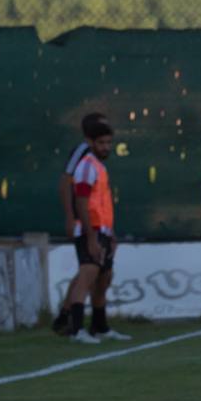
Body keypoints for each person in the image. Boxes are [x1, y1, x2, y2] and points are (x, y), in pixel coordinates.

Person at [53, 114, 129, 343]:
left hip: (101, 229)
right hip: (90, 229)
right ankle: (72, 324)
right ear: (90, 140)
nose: (107, 146)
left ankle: (98, 325)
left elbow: (100, 201)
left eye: (109, 142)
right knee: (87, 274)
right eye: (102, 142)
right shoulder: (84, 161)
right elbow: (73, 191)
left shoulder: (98, 165)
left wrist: (109, 230)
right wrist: (75, 222)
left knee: (103, 275)